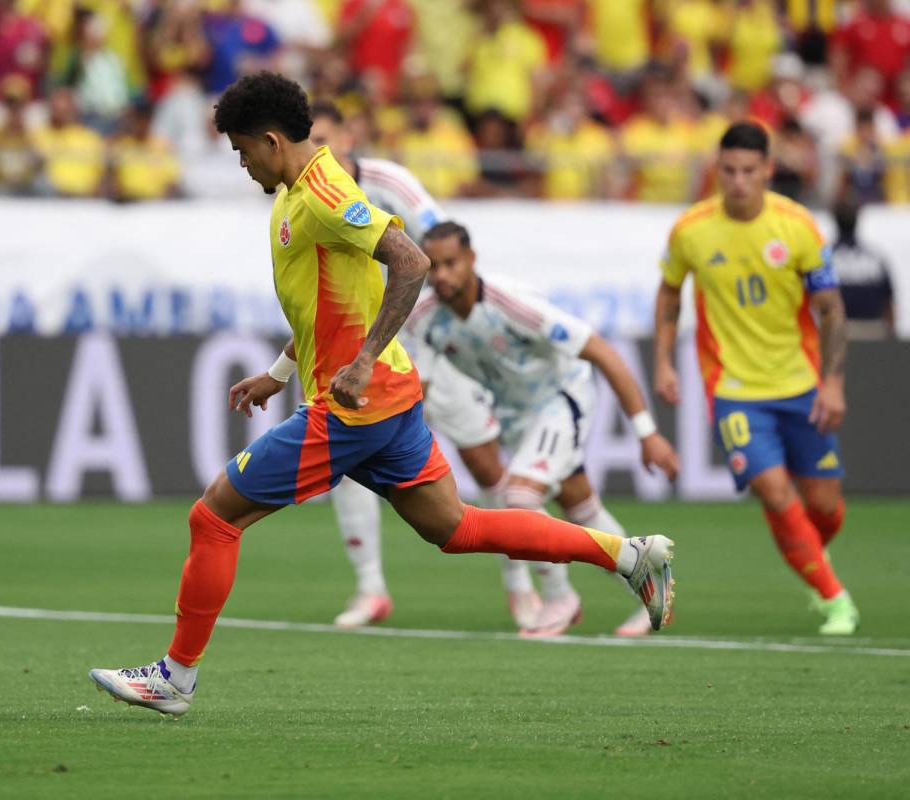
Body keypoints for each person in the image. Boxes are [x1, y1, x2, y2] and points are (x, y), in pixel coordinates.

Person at [88, 72, 676, 717]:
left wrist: (363, 360)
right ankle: (626, 555)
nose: (241, 162)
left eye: (241, 150)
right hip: (388, 403)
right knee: (457, 528)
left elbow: (412, 260)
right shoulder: (292, 195)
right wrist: (279, 374)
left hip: (355, 409)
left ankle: (176, 677)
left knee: (214, 517)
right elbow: (325, 308)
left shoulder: (323, 193)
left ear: (271, 139)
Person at [310, 100, 642, 636]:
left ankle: (528, 590)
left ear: (349, 136)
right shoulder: (306, 195)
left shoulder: (390, 182)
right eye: (311, 143)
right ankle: (371, 587)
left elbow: (440, 246)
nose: (320, 153)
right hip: (374, 348)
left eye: (326, 139)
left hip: (429, 346)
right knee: (346, 455)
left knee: (492, 472)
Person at [404, 221, 679, 638]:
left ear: (471, 260)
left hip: (562, 398)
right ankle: (646, 580)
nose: (441, 275)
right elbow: (418, 388)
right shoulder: (425, 319)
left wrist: (647, 432)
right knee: (579, 504)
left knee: (520, 495)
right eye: (433, 266)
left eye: (450, 264)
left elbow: (602, 352)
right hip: (516, 416)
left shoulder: (512, 304)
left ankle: (559, 599)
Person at [653, 121, 857, 636]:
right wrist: (662, 361)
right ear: (716, 170)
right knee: (772, 488)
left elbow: (831, 310)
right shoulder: (691, 230)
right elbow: (670, 294)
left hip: (801, 384)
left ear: (768, 169)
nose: (739, 181)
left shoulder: (799, 227)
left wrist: (832, 383)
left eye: (749, 171)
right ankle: (836, 600)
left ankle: (809, 557)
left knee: (825, 510)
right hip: (735, 390)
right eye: (729, 171)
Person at [830, 199, 896, 339]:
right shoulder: (875, 258)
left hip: (838, 331)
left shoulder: (826, 259)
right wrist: (892, 334)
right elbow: (889, 301)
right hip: (874, 330)